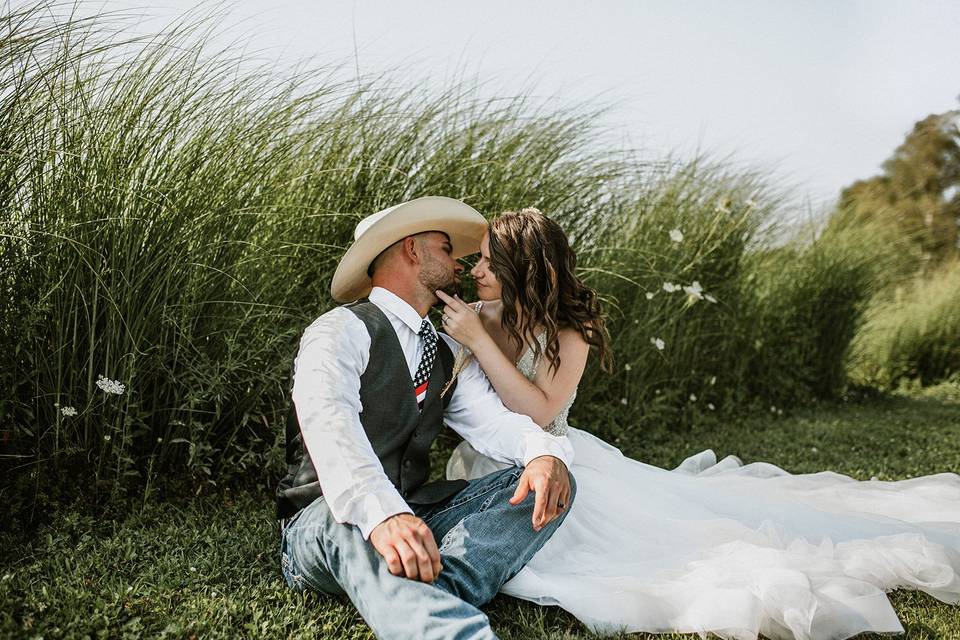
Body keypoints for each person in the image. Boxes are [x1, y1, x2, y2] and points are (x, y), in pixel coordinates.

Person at [438, 207, 960, 640]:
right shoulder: (480, 314)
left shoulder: (570, 329)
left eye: (489, 260)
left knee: (662, 555)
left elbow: (541, 412)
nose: (475, 269)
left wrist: (480, 343)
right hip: (484, 461)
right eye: (479, 258)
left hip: (558, 459)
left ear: (525, 267)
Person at [275, 196, 576, 640]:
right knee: (346, 527)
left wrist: (543, 454)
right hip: (324, 520)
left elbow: (492, 423)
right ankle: (450, 629)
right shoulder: (340, 330)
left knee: (549, 483)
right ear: (412, 250)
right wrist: (382, 516)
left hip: (415, 509)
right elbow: (329, 425)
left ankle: (428, 587)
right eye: (447, 248)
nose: (461, 265)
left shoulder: (445, 349)